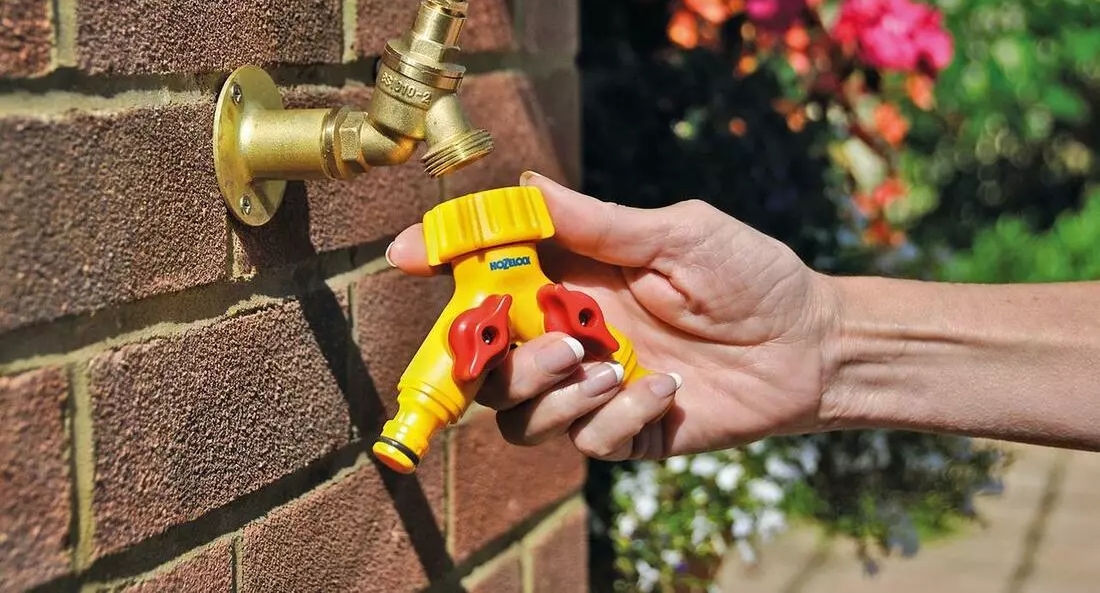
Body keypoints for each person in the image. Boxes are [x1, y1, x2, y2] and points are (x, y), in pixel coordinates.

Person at [386, 171, 1100, 460]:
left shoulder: (504, 300)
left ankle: (412, 424)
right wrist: (819, 341)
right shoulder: (543, 301)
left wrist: (830, 345)